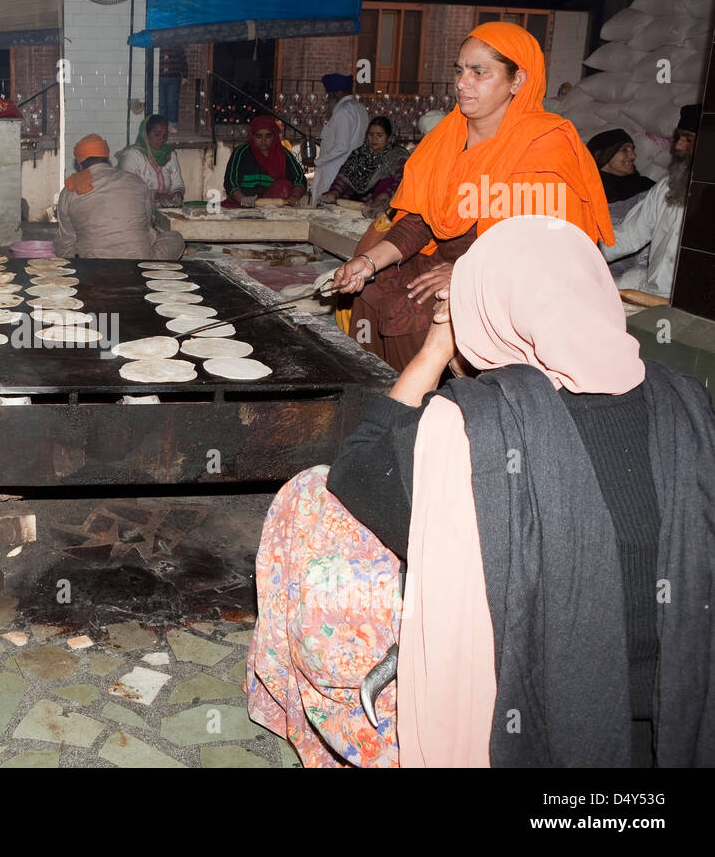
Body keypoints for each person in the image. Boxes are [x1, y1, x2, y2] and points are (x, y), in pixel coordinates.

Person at [246, 216, 715, 768]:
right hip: (678, 704)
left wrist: (434, 351)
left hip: (527, 714)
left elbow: (355, 473)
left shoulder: (472, 430)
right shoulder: (688, 404)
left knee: (309, 496)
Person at [330, 22, 614, 372]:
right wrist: (370, 262)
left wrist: (470, 274)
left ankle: (427, 413)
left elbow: (549, 249)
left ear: (518, 81)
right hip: (448, 263)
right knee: (371, 294)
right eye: (460, 71)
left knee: (418, 313)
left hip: (515, 279)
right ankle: (385, 401)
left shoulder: (546, 146)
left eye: (480, 72)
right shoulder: (446, 138)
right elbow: (421, 220)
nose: (463, 83)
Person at [601, 105, 699, 299]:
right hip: (652, 292)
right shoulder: (667, 187)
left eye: (688, 139)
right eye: (678, 138)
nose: (678, 146)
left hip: (691, 304)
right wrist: (582, 249)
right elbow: (629, 234)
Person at [54, 134, 184, 260]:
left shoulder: (70, 190)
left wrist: (72, 266)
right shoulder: (136, 182)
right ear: (107, 158)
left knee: (67, 243)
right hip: (140, 264)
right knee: (175, 238)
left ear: (80, 164)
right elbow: (147, 226)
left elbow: (66, 243)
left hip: (93, 265)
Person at [317, 116, 410, 218]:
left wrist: (383, 198)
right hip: (353, 205)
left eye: (379, 135)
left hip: (380, 206)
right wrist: (334, 193)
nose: (374, 139)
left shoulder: (397, 156)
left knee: (387, 181)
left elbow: (402, 183)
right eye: (371, 134)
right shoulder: (359, 153)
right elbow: (343, 177)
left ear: (389, 137)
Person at [223, 114, 307, 208]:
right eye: (259, 136)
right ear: (252, 136)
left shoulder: (283, 153)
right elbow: (230, 180)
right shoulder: (241, 152)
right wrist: (242, 199)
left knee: (283, 187)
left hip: (274, 204)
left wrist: (294, 197)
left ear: (274, 136)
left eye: (268, 136)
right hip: (243, 201)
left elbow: (299, 177)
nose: (263, 140)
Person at [311, 72, 369, 206]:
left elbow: (341, 146)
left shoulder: (344, 111)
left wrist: (316, 162)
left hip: (336, 169)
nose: (327, 99)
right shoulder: (359, 108)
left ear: (337, 93)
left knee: (327, 210)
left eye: (329, 95)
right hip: (350, 168)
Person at [117, 115, 185, 208]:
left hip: (166, 210)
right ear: (146, 134)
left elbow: (177, 183)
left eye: (165, 135)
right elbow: (128, 188)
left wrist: (178, 193)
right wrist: (156, 195)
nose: (162, 138)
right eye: (157, 134)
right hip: (140, 211)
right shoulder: (133, 155)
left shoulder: (169, 154)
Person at [589, 128, 655, 208]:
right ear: (605, 155)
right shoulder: (585, 189)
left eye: (632, 150)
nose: (633, 156)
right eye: (624, 150)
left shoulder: (644, 185)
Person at [158, 45, 187, 133]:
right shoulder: (158, 46)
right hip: (160, 77)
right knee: (162, 103)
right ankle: (163, 125)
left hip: (174, 78)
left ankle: (172, 125)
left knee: (172, 102)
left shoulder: (178, 46)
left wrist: (185, 76)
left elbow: (184, 61)